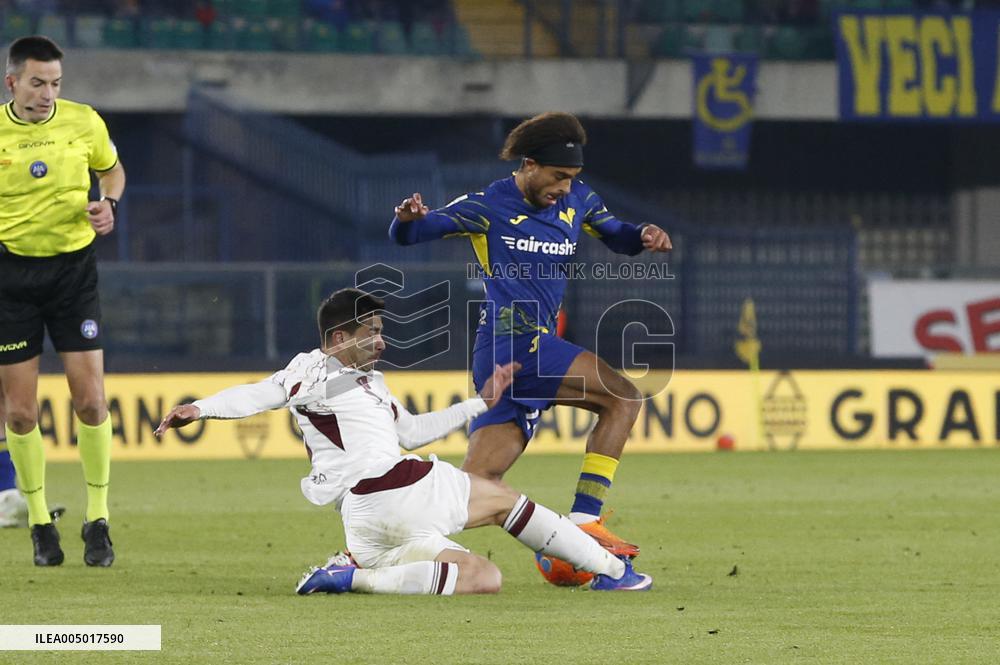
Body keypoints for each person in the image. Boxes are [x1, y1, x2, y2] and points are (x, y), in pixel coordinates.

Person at [154, 288, 652, 595]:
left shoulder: (371, 384)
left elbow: (412, 433)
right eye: (370, 332)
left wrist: (482, 403)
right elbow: (258, 393)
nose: (381, 341)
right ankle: (611, 571)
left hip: (367, 521)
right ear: (335, 340)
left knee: (483, 578)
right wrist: (200, 407)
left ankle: (353, 577)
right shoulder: (313, 369)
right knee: (505, 501)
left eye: (381, 331)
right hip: (390, 488)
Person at [388, 112, 671, 562]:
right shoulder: (488, 205)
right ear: (529, 164)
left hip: (513, 353)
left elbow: (616, 235)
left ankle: (383, 542)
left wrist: (643, 235)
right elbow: (418, 232)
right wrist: (406, 220)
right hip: (513, 341)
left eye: (572, 177)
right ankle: (584, 523)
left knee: (476, 488)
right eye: (558, 176)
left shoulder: (578, 199)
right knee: (625, 397)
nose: (564, 186)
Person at [1, 36, 125, 566]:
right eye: (36, 83)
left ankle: (97, 520)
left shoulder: (83, 121)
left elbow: (111, 171)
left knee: (92, 402)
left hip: (74, 273)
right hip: (11, 276)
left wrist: (109, 205)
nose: (47, 93)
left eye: (54, 83)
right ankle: (37, 523)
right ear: (12, 82)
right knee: (21, 413)